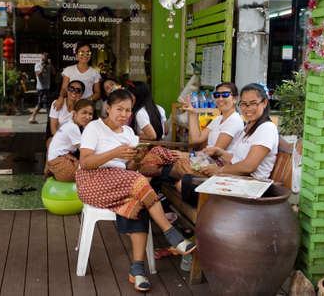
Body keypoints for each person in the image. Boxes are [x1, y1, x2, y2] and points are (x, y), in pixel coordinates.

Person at [76, 89, 195, 292]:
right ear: (108, 107)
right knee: (139, 182)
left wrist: (136, 159)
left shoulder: (129, 133)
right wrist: (114, 153)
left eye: (128, 110)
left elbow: (128, 167)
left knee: (140, 196)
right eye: (119, 109)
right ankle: (170, 233)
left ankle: (137, 270)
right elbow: (85, 162)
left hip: (121, 180)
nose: (123, 114)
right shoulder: (94, 128)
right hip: (93, 180)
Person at [200, 83, 279, 180]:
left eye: (253, 103)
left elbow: (248, 167)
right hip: (236, 178)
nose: (248, 108)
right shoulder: (248, 127)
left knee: (185, 180)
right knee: (184, 173)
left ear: (264, 103)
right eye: (244, 104)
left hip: (250, 184)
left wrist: (219, 170)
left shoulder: (267, 128)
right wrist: (220, 152)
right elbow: (237, 160)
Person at [46, 99, 94, 182]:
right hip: (60, 164)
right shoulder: (73, 127)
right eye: (84, 112)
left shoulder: (70, 125)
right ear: (74, 113)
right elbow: (85, 151)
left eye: (90, 114)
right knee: (95, 172)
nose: (87, 117)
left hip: (57, 162)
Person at [53, 42, 101, 111]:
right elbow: (64, 89)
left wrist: (86, 101)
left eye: (88, 53)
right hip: (71, 105)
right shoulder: (68, 70)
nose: (85, 55)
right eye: (81, 52)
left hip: (87, 106)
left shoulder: (95, 72)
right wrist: (61, 98)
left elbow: (97, 93)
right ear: (76, 54)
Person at [29, 53, 56, 124]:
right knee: (40, 103)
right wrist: (43, 67)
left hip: (47, 87)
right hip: (41, 88)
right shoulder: (38, 65)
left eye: (45, 59)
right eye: (43, 59)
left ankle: (49, 119)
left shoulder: (49, 65)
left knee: (48, 104)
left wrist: (51, 64)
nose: (44, 61)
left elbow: (54, 73)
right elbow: (38, 74)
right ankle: (32, 117)